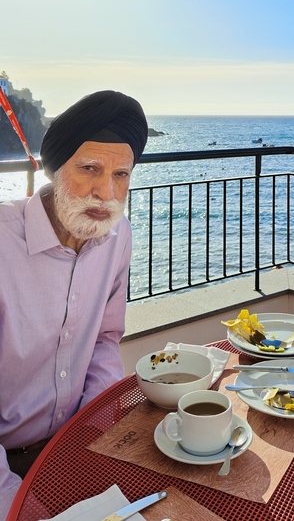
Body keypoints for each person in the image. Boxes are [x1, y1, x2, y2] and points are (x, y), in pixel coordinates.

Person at [0, 90, 148, 521]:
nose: (106, 192)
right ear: (55, 168)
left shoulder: (119, 238)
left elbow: (105, 338)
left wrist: (94, 430)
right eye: (90, 169)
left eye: (122, 174)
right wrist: (15, 506)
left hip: (73, 446)